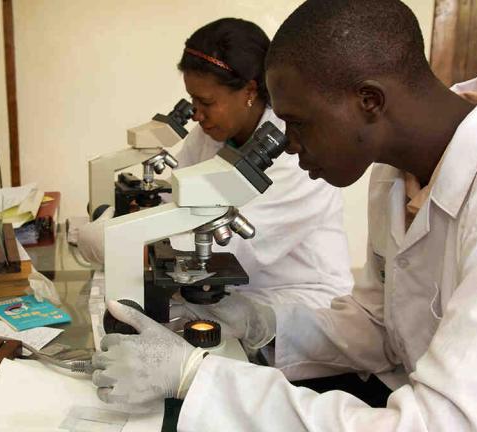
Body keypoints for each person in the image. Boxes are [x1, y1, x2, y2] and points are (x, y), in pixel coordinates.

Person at [91, 1, 477, 430]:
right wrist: (262, 321)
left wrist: (198, 378)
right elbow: (380, 327)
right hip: (406, 391)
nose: (287, 143)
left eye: (297, 122)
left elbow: (441, 425)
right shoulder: (393, 175)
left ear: (369, 101)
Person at [80, 18, 353, 308]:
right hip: (233, 296)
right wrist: (132, 225)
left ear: (249, 91)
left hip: (301, 307)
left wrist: (127, 242)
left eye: (206, 102)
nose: (196, 115)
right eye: (192, 101)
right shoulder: (207, 135)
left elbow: (233, 249)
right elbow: (177, 202)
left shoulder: (295, 157)